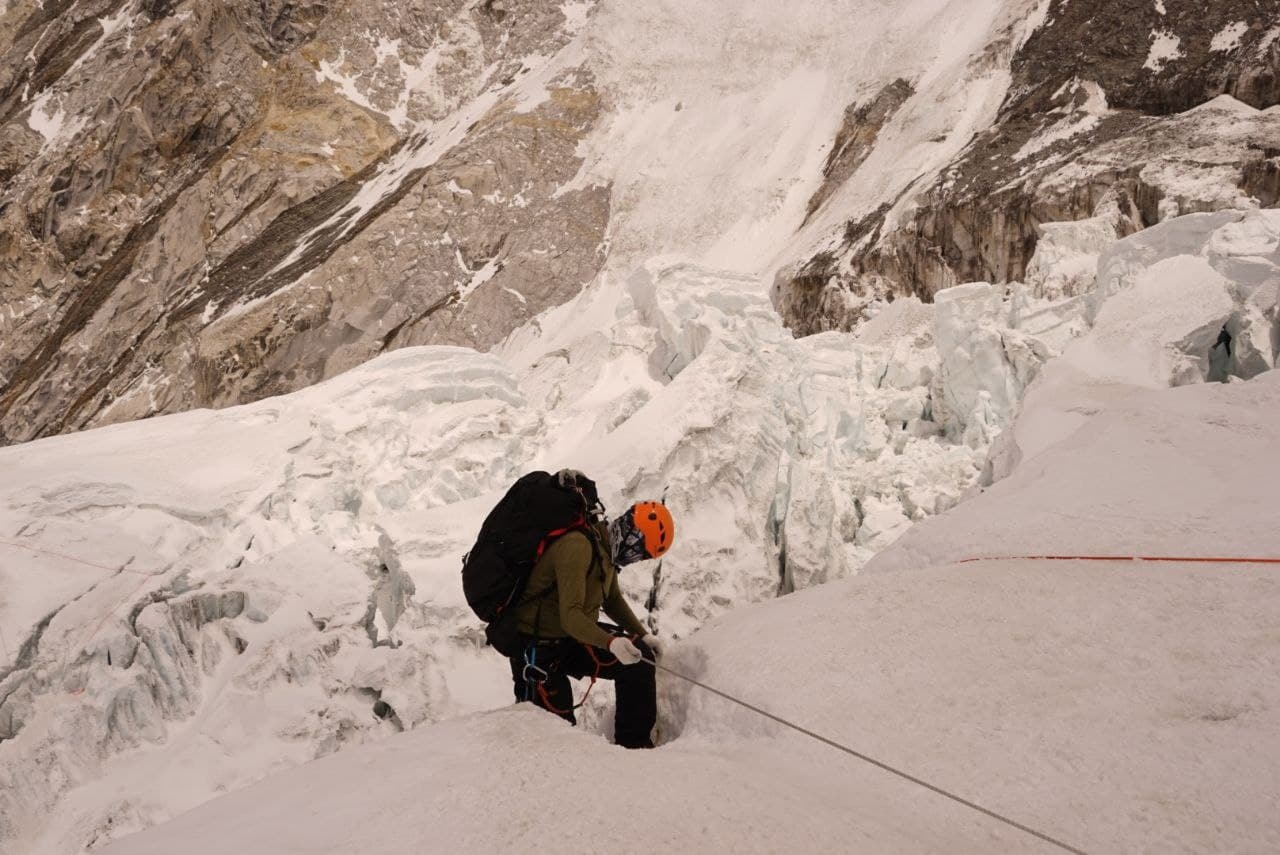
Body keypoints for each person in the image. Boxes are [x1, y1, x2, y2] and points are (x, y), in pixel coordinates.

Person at [508, 481, 675, 749]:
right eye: (637, 550)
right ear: (630, 534)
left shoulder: (605, 551)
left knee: (639, 661)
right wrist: (611, 643)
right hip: (539, 650)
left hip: (567, 639)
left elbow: (612, 600)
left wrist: (642, 636)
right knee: (557, 737)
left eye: (641, 556)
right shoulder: (578, 546)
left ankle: (635, 751)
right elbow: (571, 616)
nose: (634, 558)